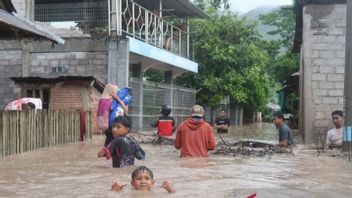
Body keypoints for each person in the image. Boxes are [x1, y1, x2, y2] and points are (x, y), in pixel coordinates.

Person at [111, 166, 176, 193]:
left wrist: (171, 190)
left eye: (147, 178)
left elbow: (173, 194)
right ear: (132, 183)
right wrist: (114, 190)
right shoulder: (128, 191)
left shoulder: (156, 190)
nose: (143, 181)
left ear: (152, 183)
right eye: (139, 179)